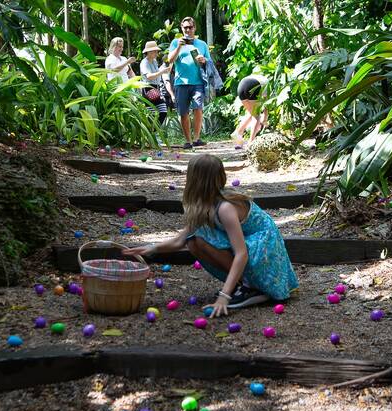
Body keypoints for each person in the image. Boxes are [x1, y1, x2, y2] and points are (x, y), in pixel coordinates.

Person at [123, 154, 299, 318]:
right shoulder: (206, 205)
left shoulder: (225, 208)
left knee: (198, 238)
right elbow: (181, 240)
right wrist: (152, 248)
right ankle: (246, 284)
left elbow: (242, 253)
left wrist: (224, 295)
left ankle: (251, 287)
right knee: (193, 241)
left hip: (264, 250)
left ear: (194, 181)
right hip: (252, 247)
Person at [168, 17, 211, 149]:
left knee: (198, 108)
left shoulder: (202, 44)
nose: (188, 30)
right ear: (182, 29)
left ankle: (197, 138)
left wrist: (203, 60)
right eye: (185, 27)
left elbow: (209, 61)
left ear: (194, 28)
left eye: (190, 27)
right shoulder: (176, 43)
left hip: (198, 82)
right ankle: (188, 141)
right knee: (183, 112)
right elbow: (170, 60)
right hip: (181, 83)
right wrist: (179, 47)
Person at [139, 41, 171, 127]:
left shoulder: (154, 61)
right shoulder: (144, 62)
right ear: (149, 52)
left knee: (163, 111)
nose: (157, 53)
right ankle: (151, 133)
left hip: (155, 88)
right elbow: (149, 77)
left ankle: (153, 132)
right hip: (148, 88)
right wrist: (162, 72)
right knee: (154, 113)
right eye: (155, 51)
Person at [231, 74, 269, 148]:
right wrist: (264, 119)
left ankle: (238, 133)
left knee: (251, 113)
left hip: (241, 85)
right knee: (256, 116)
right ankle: (251, 142)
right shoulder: (268, 85)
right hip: (253, 85)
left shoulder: (262, 79)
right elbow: (267, 104)